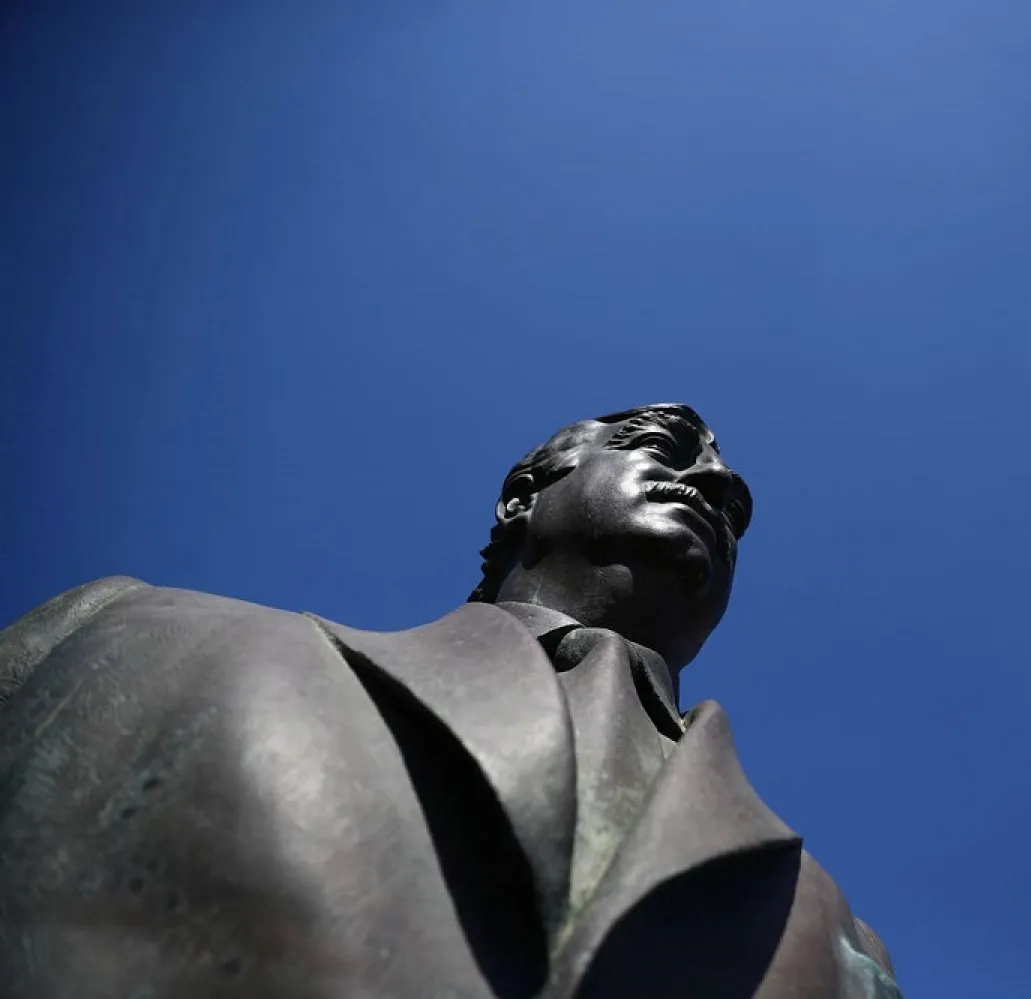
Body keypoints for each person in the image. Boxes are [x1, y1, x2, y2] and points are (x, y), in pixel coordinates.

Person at [0, 403, 901, 999]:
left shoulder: (837, 932)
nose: (712, 485)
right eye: (663, 448)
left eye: (734, 506)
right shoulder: (116, 634)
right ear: (522, 498)